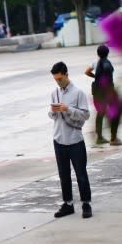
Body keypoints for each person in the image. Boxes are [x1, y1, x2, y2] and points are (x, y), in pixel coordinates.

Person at [48, 61, 92, 219]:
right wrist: (53, 111)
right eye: (55, 79)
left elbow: (86, 115)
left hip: (75, 140)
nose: (58, 82)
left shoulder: (78, 93)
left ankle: (86, 203)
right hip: (59, 139)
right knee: (63, 175)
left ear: (66, 74)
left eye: (60, 78)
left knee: (81, 174)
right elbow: (52, 116)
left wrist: (68, 109)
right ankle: (68, 204)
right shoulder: (55, 93)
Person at [85, 44, 122, 146]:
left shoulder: (96, 62)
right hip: (106, 91)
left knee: (100, 113)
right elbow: (107, 70)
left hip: (97, 91)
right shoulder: (106, 63)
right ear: (108, 53)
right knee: (115, 113)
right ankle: (113, 138)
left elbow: (87, 72)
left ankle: (99, 138)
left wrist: (96, 77)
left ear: (98, 53)